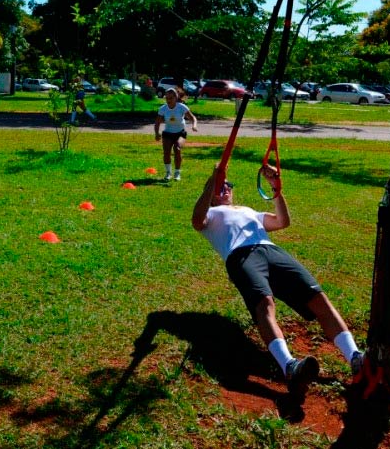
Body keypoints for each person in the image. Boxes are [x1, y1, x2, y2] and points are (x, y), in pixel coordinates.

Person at [191, 164, 364, 404]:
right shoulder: (210, 215)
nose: (227, 188)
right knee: (264, 304)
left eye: (228, 185)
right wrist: (213, 179)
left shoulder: (248, 210)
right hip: (241, 256)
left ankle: (355, 358)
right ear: (211, 195)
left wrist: (276, 188)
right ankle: (290, 367)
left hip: (272, 251)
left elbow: (283, 221)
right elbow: (196, 220)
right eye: (222, 186)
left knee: (318, 298)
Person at [154, 88, 197, 181]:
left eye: (171, 98)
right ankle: (168, 173)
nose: (168, 100)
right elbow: (157, 122)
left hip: (180, 133)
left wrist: (194, 126)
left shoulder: (182, 107)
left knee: (177, 149)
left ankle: (177, 173)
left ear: (176, 98)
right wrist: (157, 133)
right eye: (167, 98)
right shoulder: (163, 109)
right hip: (168, 133)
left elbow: (193, 118)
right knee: (166, 152)